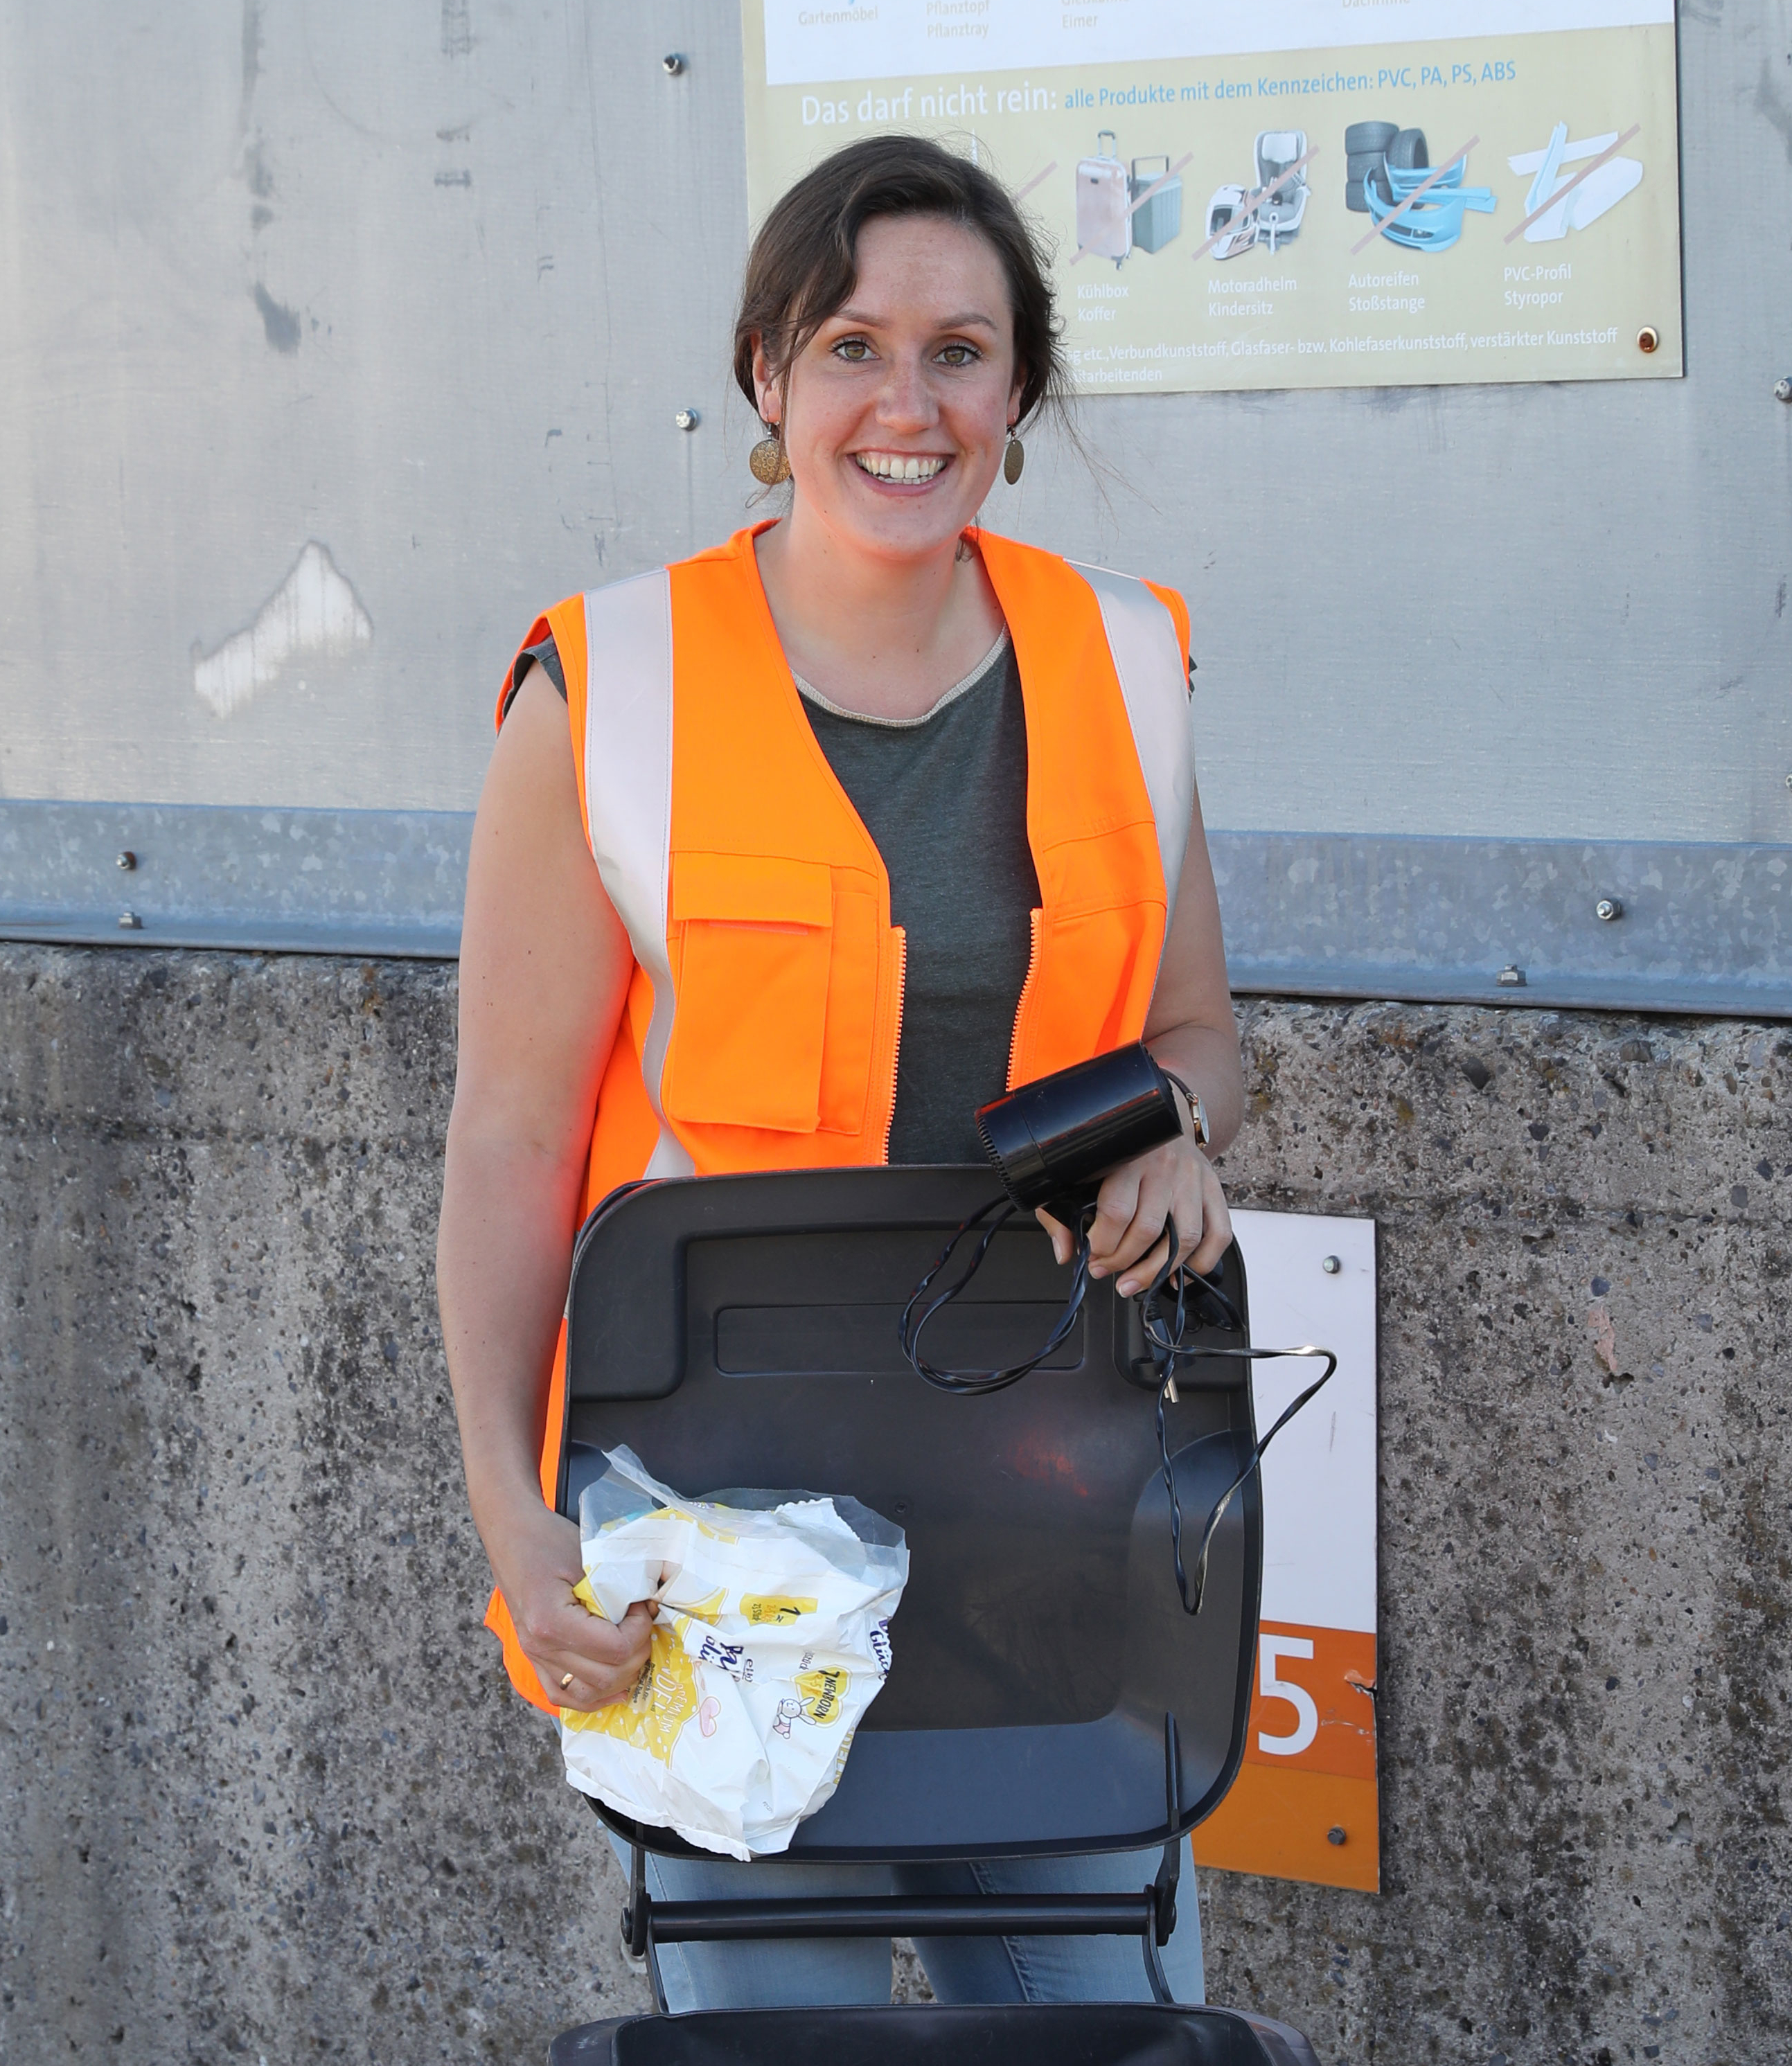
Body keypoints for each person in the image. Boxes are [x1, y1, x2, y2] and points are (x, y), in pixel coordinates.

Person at [434, 133, 1243, 2011]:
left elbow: (1199, 1033)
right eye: (851, 347)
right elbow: (512, 1137)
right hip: (713, 1538)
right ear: (766, 377)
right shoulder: (603, 684)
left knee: (1104, 2029)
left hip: (1046, 1495)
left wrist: (1181, 1132)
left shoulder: (1126, 660)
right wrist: (508, 1507)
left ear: (1018, 391)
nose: (907, 403)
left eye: (961, 352)